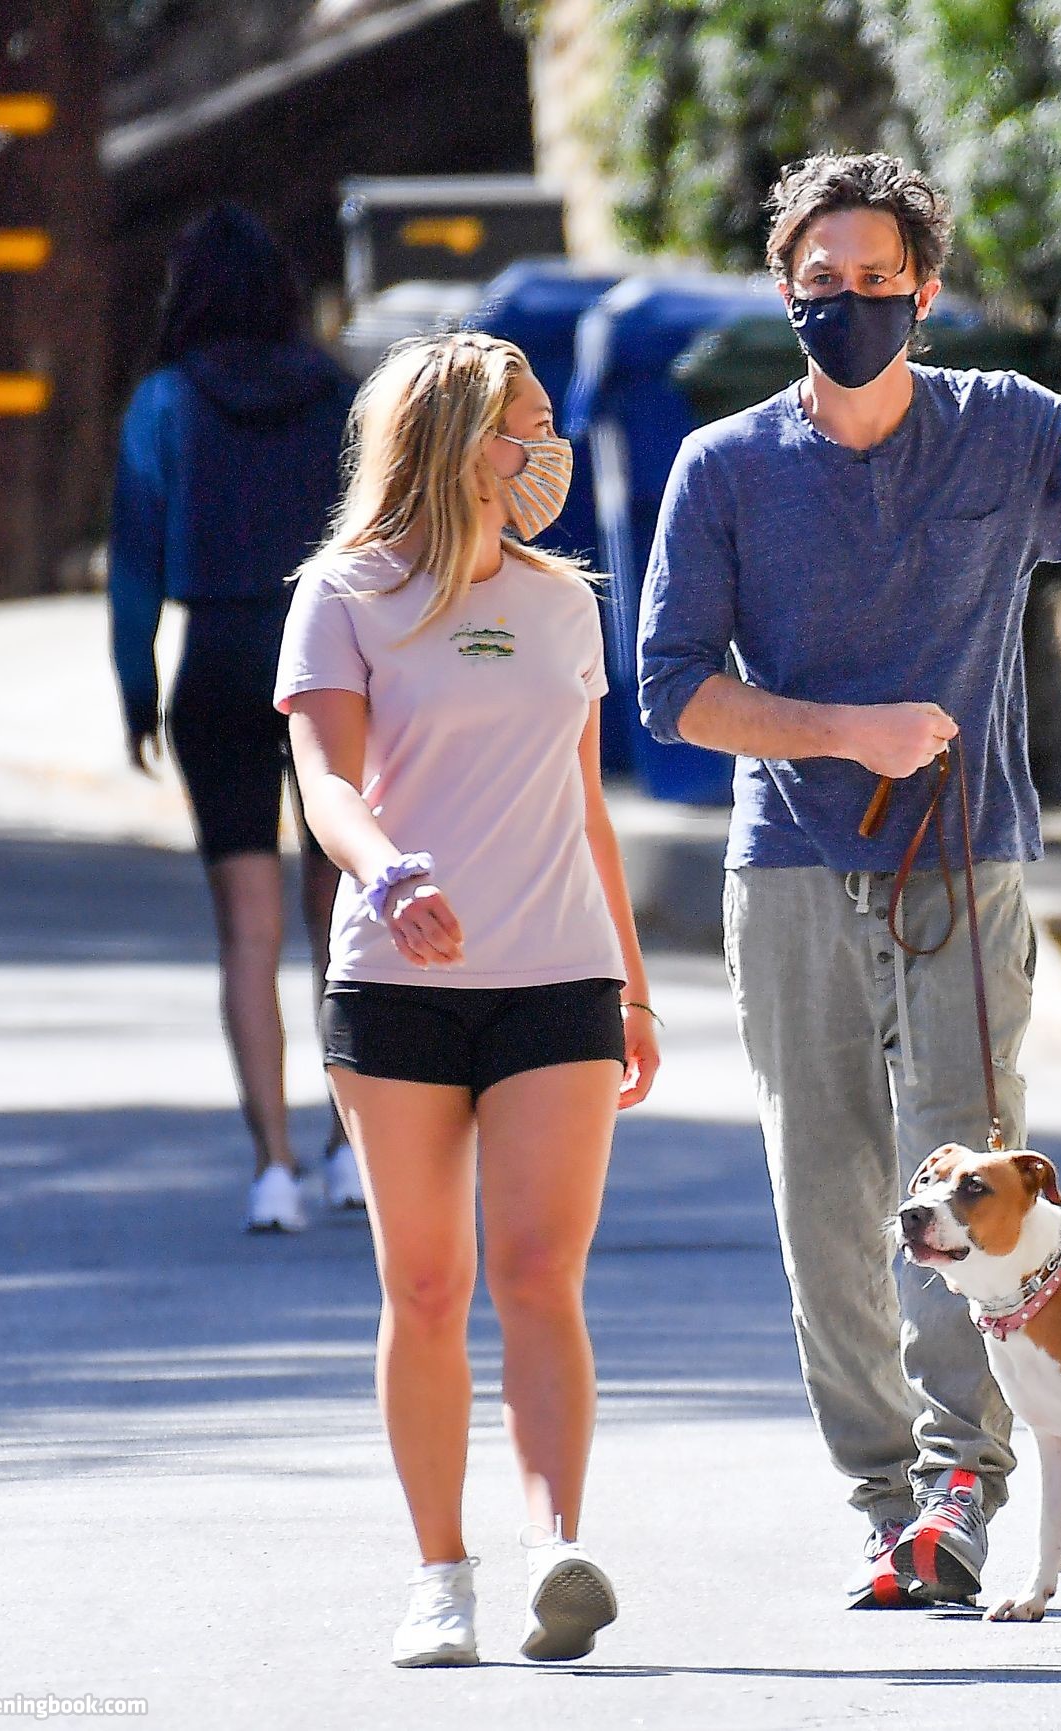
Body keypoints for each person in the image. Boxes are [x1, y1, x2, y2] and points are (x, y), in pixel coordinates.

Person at [638, 151, 1061, 1608]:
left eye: (874, 279)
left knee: (974, 1195)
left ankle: (965, 1483)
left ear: (924, 292)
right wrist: (848, 732)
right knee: (827, 1205)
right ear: (785, 292)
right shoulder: (726, 467)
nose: (845, 302)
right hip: (792, 875)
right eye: (819, 281)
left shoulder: (1006, 429)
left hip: (966, 865)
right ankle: (883, 1497)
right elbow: (670, 689)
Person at [276, 330, 660, 1668]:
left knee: (542, 1274)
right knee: (429, 1283)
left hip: (560, 973)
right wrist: (386, 874)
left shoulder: (564, 602)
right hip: (400, 982)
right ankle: (441, 1575)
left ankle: (559, 1547)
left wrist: (635, 989)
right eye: (523, 425)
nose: (544, 448)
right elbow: (328, 783)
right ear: (453, 443)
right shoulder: (344, 594)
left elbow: (584, 802)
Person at [107, 203, 359, 1232]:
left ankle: (273, 1171)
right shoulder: (341, 394)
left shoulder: (164, 401)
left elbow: (136, 561)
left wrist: (136, 689)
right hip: (332, 662)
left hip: (215, 661)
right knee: (343, 915)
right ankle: (352, 1148)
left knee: (248, 931)